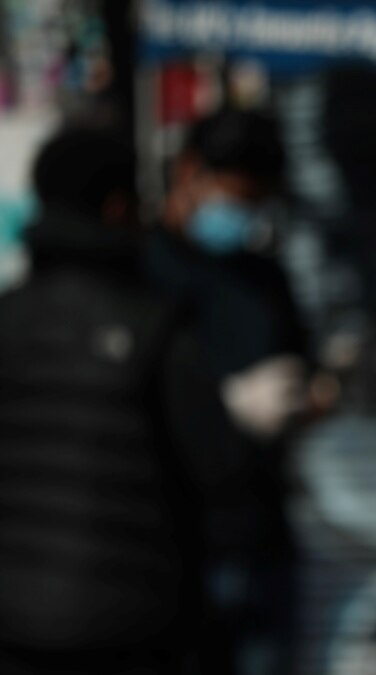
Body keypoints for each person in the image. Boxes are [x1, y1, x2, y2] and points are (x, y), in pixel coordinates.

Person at [0, 122, 232, 674]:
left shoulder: (5, 319)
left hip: (12, 630)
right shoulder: (156, 326)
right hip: (134, 632)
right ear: (115, 207)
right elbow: (221, 470)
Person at [145, 107, 308, 675]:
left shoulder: (264, 280)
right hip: (170, 545)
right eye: (235, 199)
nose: (240, 217)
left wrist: (308, 397)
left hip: (259, 536)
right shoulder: (141, 274)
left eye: (253, 204)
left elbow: (301, 367)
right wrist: (223, 409)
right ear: (190, 172)